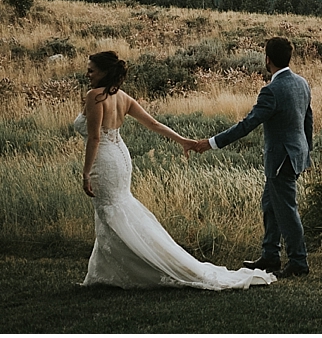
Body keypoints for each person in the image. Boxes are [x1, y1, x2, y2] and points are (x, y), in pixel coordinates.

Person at [74, 50, 275, 290]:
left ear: (105, 72)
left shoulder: (94, 96)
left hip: (105, 160)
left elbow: (95, 138)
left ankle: (136, 266)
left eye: (91, 70)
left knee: (111, 211)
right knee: (117, 210)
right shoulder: (122, 97)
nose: (87, 74)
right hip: (120, 159)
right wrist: (183, 141)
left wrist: (85, 173)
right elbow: (154, 124)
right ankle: (108, 270)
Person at [193, 36, 313, 278]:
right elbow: (307, 121)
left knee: (287, 210)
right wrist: (306, 153)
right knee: (270, 205)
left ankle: (298, 261)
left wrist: (212, 143)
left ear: (267, 59)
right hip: (294, 156)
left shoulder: (271, 91)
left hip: (280, 160)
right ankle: (270, 255)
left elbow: (248, 124)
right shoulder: (302, 83)